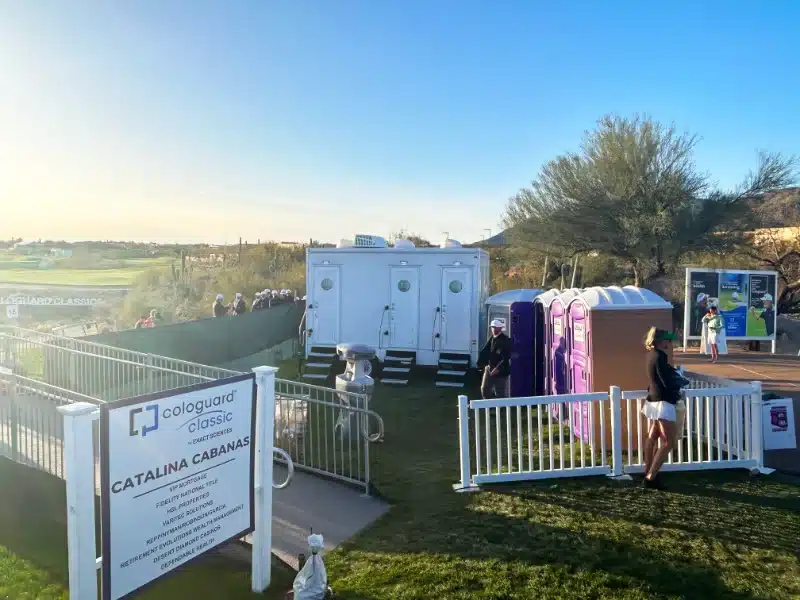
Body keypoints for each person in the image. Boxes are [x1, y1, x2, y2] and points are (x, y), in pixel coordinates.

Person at [641, 327, 688, 490]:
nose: (669, 342)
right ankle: (651, 477)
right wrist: (678, 389)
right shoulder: (661, 356)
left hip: (652, 400)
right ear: (660, 341)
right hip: (663, 401)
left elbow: (659, 376)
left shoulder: (650, 355)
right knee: (669, 441)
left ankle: (647, 471)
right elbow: (665, 380)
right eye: (667, 340)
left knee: (653, 436)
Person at [477, 319, 511, 399]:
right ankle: (489, 406)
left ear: (500, 328)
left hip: (501, 371)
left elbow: (506, 357)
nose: (494, 329)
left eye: (496, 327)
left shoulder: (505, 340)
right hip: (489, 368)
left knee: (500, 392)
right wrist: (482, 365)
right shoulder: (492, 338)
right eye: (493, 327)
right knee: (484, 388)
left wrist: (498, 368)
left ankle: (501, 409)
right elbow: (485, 351)